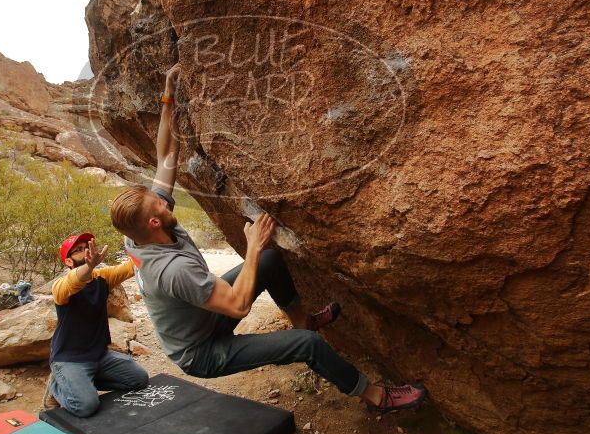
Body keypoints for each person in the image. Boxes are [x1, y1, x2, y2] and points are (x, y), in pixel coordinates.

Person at [108, 64, 426, 414]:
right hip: (201, 350)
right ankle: (376, 397)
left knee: (273, 263)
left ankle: (304, 320)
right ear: (154, 221)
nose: (165, 197)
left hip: (204, 316)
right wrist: (252, 247)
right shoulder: (171, 271)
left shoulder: (141, 233)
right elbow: (238, 306)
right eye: (159, 203)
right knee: (307, 345)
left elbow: (166, 156)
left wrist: (168, 95)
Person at [42, 233, 149, 417]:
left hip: (100, 356)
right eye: (78, 250)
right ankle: (56, 386)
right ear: (68, 262)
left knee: (139, 380)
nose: (85, 252)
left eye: (86, 247)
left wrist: (142, 235)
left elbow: (132, 266)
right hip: (70, 358)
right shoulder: (61, 287)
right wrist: (89, 266)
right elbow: (73, 281)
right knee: (86, 406)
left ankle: (81, 383)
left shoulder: (102, 277)